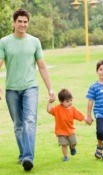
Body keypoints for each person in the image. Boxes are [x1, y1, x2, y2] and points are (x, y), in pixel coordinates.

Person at [0, 9, 55, 171]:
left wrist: (50, 89)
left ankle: (28, 158)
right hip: (11, 89)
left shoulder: (34, 42)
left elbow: (42, 68)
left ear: (27, 23)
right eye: (20, 21)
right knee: (18, 125)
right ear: (14, 22)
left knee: (29, 121)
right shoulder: (4, 42)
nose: (23, 24)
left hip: (30, 87)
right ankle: (23, 153)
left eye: (25, 22)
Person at [47, 88, 92, 162]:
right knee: (64, 145)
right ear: (61, 102)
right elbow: (49, 110)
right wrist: (49, 102)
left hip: (70, 131)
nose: (70, 103)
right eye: (67, 101)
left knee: (74, 142)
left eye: (71, 100)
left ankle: (72, 147)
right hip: (61, 132)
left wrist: (86, 119)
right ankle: (65, 157)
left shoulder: (72, 109)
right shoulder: (57, 109)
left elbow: (79, 115)